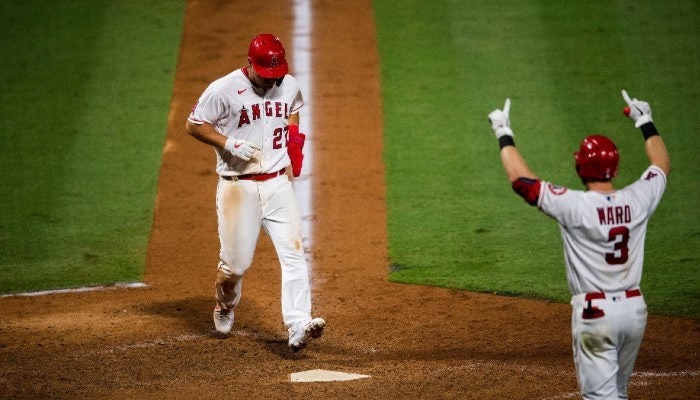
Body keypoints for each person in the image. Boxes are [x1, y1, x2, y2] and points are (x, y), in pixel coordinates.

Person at [487, 90, 670, 399]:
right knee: (619, 394)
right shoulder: (639, 199)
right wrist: (645, 121)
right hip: (635, 311)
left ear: (580, 168)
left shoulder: (575, 206)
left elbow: (522, 181)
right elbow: (661, 165)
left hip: (596, 316)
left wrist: (503, 132)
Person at [185, 33, 325, 352]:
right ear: (250, 64)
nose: (272, 80)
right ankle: (225, 305)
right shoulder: (223, 90)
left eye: (276, 74)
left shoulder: (287, 83)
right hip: (239, 188)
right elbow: (194, 125)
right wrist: (228, 142)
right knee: (234, 267)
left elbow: (293, 108)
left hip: (277, 185)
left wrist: (293, 139)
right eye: (266, 74)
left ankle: (298, 323)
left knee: (294, 254)